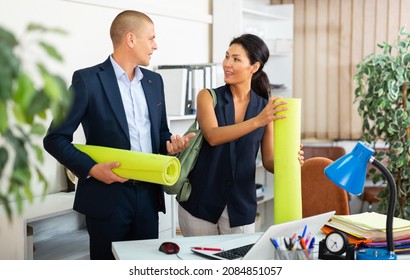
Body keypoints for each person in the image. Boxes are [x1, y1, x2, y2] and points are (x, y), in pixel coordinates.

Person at [43, 10, 194, 260]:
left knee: (144, 267)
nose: (155, 46)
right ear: (131, 39)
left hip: (148, 196)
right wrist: (92, 169)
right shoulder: (87, 80)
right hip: (106, 197)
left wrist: (170, 145)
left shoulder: (154, 82)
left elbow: (160, 133)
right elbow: (55, 138)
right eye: (152, 38)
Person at [178, 33, 304, 236]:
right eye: (227, 56)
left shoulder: (264, 107)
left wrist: (289, 160)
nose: (227, 64)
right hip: (200, 202)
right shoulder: (208, 97)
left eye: (236, 59)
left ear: (254, 67)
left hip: (240, 206)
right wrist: (258, 121)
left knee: (239, 265)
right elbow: (213, 136)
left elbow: (270, 161)